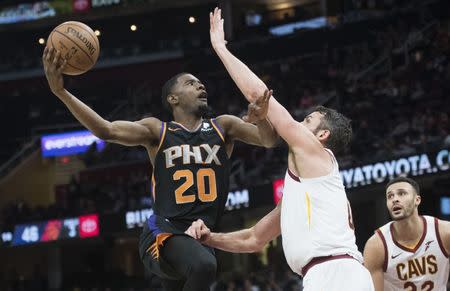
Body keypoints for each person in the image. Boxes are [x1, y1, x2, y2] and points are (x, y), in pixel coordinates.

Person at [42, 46, 278, 291]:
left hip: (199, 238)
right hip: (163, 234)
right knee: (205, 266)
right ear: (172, 99)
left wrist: (262, 119)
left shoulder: (224, 126)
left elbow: (269, 141)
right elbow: (106, 130)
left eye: (200, 83)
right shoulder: (158, 130)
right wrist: (61, 92)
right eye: (190, 83)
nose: (200, 86)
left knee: (202, 266)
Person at [185, 8, 375, 291]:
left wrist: (221, 48)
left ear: (322, 135)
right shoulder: (306, 192)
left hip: (336, 274)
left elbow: (258, 96)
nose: (298, 123)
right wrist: (209, 238)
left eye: (307, 120)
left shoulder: (317, 153)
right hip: (328, 274)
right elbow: (254, 239)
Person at [364, 177, 450, 290]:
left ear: (417, 200)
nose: (395, 199)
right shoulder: (376, 245)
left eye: (402, 193)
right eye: (390, 196)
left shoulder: (444, 232)